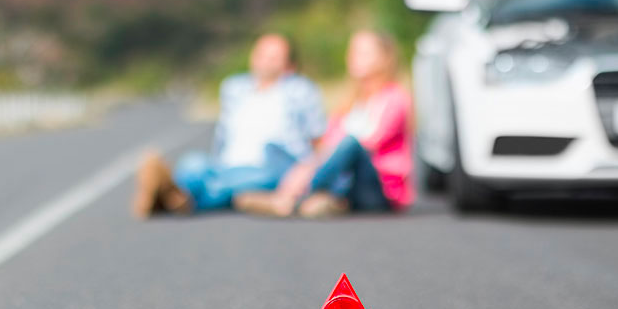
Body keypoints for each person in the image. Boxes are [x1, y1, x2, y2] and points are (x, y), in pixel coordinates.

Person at [132, 33, 327, 217]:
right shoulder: (235, 88)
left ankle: (172, 197)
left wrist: (306, 171)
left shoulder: (300, 90)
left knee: (230, 184)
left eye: (274, 57)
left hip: (272, 164)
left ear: (289, 65)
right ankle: (178, 197)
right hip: (227, 164)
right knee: (194, 163)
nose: (266, 61)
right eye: (262, 55)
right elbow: (222, 136)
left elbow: (317, 140)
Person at [235, 29, 414, 218]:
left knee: (351, 143)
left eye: (363, 53)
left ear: (384, 59)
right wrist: (307, 165)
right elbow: (327, 143)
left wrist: (312, 168)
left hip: (376, 189)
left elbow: (368, 142)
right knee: (273, 148)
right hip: (344, 179)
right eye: (352, 52)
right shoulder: (351, 100)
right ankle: (322, 200)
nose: (353, 58)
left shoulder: (395, 98)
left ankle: (292, 199)